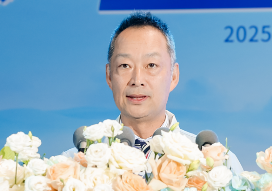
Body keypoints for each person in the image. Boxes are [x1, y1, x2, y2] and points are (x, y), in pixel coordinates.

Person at [71, 12, 243, 173]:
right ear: (109, 76)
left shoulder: (215, 165)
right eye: (125, 65)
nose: (137, 80)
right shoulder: (77, 165)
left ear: (174, 76)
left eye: (151, 65)